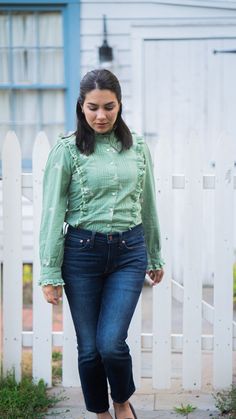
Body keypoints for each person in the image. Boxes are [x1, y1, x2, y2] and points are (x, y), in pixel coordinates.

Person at [39, 68, 165, 419]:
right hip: (81, 255)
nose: (101, 115)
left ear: (119, 105)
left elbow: (148, 204)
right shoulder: (66, 150)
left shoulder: (137, 147)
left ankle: (122, 403)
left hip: (129, 252)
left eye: (109, 107)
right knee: (89, 349)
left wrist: (155, 253)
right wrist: (50, 272)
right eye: (93, 107)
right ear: (81, 106)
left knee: (111, 344)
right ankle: (100, 412)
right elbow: (52, 212)